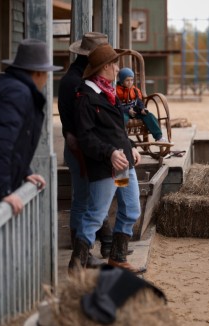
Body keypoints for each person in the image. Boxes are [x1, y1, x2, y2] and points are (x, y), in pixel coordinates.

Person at [72, 43, 146, 274]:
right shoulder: (86, 96)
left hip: (122, 165)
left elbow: (115, 130)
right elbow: (85, 137)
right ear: (104, 67)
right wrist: (110, 153)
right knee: (95, 215)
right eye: (114, 64)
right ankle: (76, 266)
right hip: (105, 167)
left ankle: (118, 257)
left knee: (131, 208)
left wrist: (129, 145)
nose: (118, 68)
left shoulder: (107, 93)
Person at [0, 38, 61, 215]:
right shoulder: (18, 93)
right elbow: (0, 143)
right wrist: (4, 191)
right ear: (37, 73)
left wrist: (25, 171)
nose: (47, 80)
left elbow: (15, 141)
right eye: (46, 73)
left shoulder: (2, 83)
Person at [58, 32, 112, 268]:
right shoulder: (76, 81)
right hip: (80, 148)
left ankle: (87, 249)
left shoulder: (74, 77)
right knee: (83, 200)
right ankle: (81, 253)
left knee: (87, 198)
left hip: (82, 146)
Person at [116, 68, 169, 143]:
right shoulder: (116, 91)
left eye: (131, 80)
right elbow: (116, 105)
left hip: (135, 110)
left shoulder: (134, 90)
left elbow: (139, 102)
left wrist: (142, 109)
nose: (130, 82)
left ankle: (158, 137)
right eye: (127, 80)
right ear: (121, 81)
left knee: (149, 116)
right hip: (123, 111)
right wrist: (127, 111)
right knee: (122, 119)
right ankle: (121, 139)